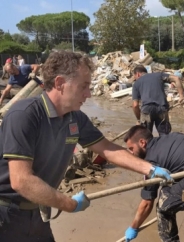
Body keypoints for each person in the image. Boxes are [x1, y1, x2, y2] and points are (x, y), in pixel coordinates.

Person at [0, 51, 173, 242]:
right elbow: (21, 180)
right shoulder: (25, 115)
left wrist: (150, 168)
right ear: (59, 84)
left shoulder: (76, 118)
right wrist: (69, 204)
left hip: (39, 212)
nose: (89, 94)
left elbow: (107, 149)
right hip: (6, 214)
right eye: (84, 86)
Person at [123, 125, 184, 242]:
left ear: (142, 142)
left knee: (163, 207)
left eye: (131, 148)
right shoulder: (170, 137)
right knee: (166, 189)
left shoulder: (151, 164)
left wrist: (133, 227)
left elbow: (147, 203)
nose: (131, 153)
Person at [132, 65, 184, 136]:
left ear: (137, 74)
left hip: (146, 111)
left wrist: (138, 120)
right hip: (161, 109)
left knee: (146, 138)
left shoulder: (136, 84)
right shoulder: (158, 75)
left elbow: (135, 105)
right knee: (165, 137)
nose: (135, 79)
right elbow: (176, 78)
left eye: (135, 77)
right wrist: (181, 96)